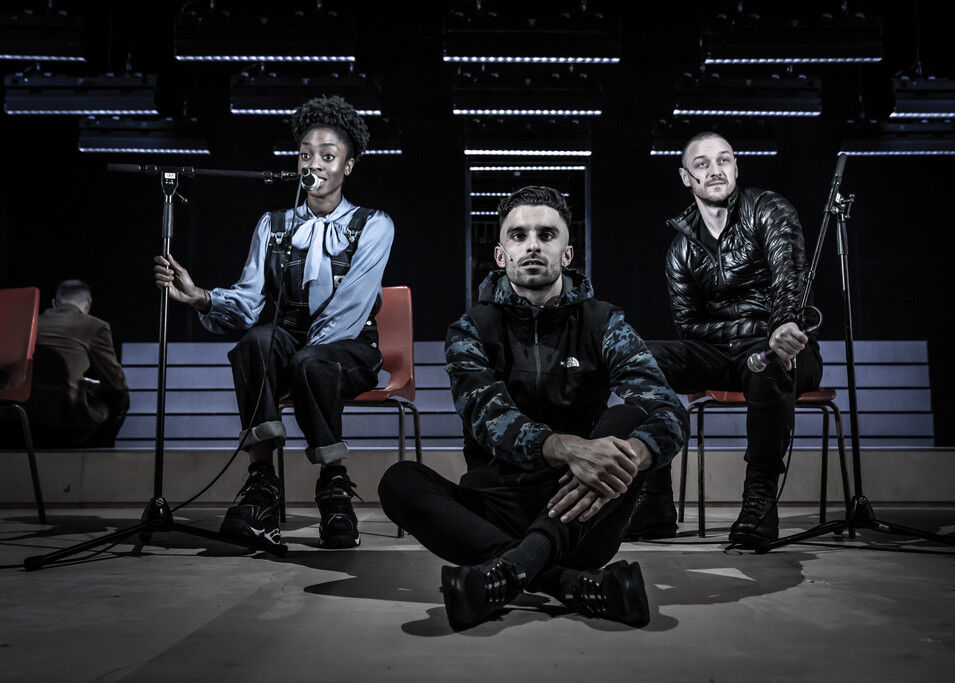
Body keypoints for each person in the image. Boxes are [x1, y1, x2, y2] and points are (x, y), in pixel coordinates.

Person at [377, 186, 687, 630]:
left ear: (567, 253)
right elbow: (488, 418)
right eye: (519, 235)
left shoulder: (604, 322)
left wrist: (631, 457)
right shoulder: (471, 328)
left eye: (547, 234)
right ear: (501, 255)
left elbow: (668, 409)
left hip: (583, 511)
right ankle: (567, 583)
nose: (533, 245)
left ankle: (505, 575)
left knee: (627, 420)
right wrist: (570, 448)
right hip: (494, 505)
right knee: (399, 481)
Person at [153, 95, 394, 549]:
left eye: (327, 156)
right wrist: (201, 297)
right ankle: (262, 484)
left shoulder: (374, 224)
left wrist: (301, 357)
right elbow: (248, 302)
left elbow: (350, 307)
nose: (314, 164)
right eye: (305, 154)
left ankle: (334, 487)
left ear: (348, 166)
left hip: (350, 348)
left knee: (311, 363)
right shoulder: (273, 224)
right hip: (293, 342)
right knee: (256, 343)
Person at [625, 131, 822, 550]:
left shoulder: (768, 209)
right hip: (724, 356)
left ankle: (759, 500)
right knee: (641, 359)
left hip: (785, 352)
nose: (715, 170)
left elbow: (789, 279)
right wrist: (746, 333)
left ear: (735, 167)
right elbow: (688, 326)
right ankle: (654, 500)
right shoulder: (681, 249)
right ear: (686, 177)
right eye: (702, 163)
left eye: (724, 160)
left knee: (769, 362)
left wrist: (782, 326)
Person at [20, 280, 130, 447]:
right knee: (121, 397)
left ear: (54, 303)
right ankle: (95, 452)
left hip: (25, 416)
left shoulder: (28, 323)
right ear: (88, 304)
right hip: (67, 418)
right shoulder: (95, 326)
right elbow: (116, 382)